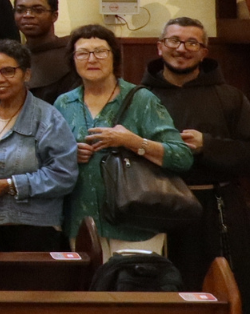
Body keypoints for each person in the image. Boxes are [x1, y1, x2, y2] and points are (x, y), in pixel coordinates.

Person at [144, 17, 250, 314]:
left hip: (218, 207)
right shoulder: (138, 96)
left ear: (204, 51)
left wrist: (208, 145)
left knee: (225, 290)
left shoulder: (230, 98)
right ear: (159, 46)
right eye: (174, 41)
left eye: (191, 43)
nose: (182, 49)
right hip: (157, 209)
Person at [56, 24, 192, 254]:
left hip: (136, 224)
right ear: (73, 60)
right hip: (81, 222)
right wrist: (68, 154)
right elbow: (47, 158)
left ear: (114, 58)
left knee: (134, 289)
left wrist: (132, 141)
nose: (92, 59)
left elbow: (182, 156)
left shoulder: (141, 99)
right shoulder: (63, 103)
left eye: (100, 51)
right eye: (83, 53)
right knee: (88, 290)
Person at [0, 40, 79, 252]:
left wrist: (9, 185)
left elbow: (64, 176)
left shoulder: (48, 118)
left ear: (26, 74)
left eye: (8, 71)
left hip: (33, 230)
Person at [15, 0, 78, 101]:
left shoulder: (72, 55)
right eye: (21, 10)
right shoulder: (13, 57)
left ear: (54, 16)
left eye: (37, 10)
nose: (27, 15)